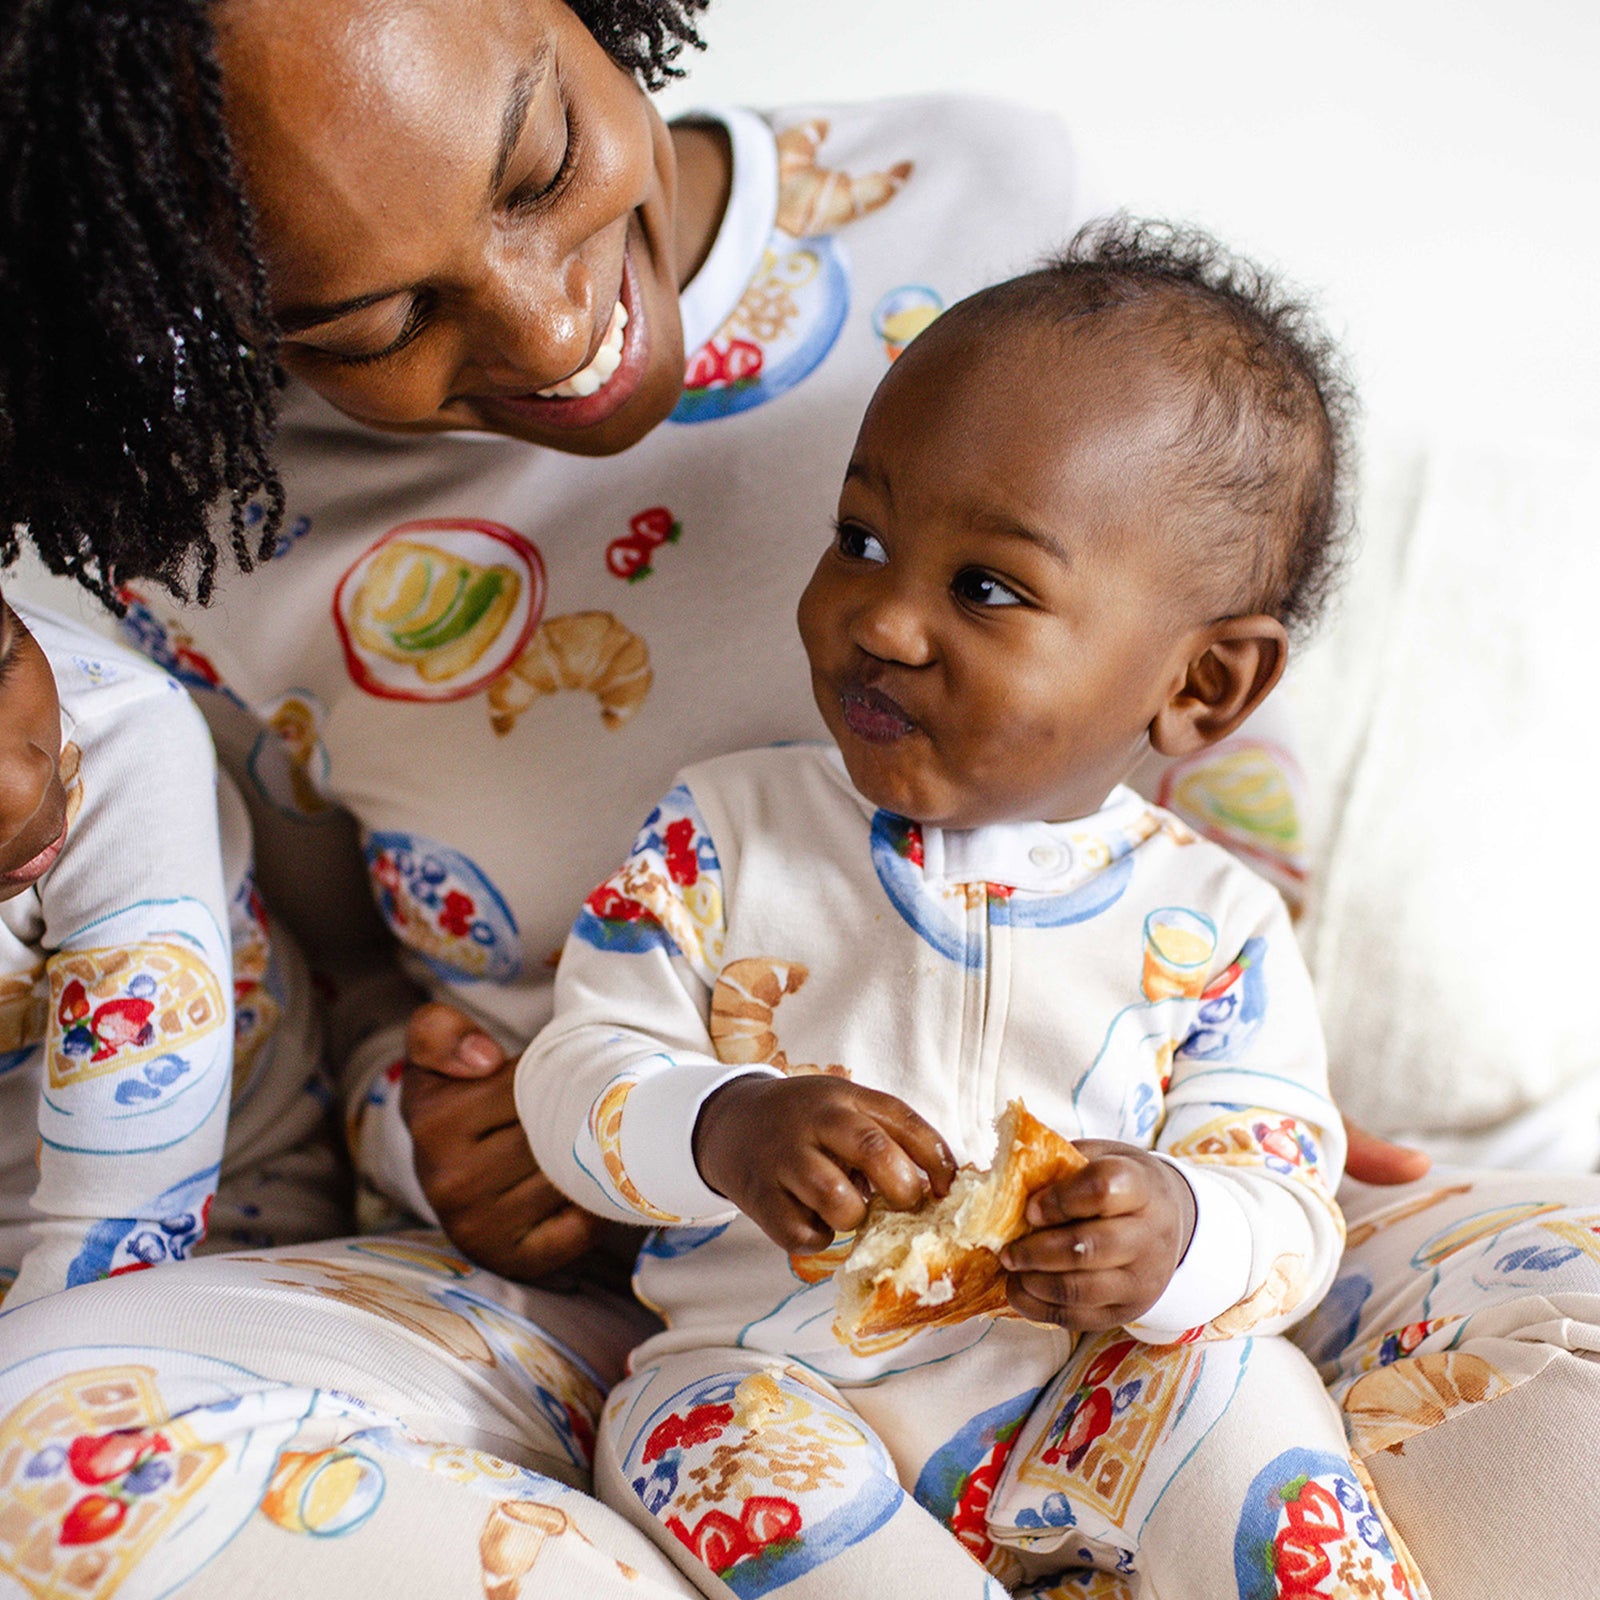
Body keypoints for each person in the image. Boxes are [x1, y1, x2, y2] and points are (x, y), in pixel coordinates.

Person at [0, 3, 1596, 1597]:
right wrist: (474, 1144)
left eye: (541, 162)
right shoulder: (232, 552)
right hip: (666, 1321)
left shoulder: (986, 198)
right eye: (370, 320)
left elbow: (1198, 728)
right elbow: (336, 998)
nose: (557, 333)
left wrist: (1228, 1193)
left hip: (1138, 1296)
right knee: (42, 1442)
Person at [515, 228, 1425, 1599]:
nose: (881, 620)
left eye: (986, 587)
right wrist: (721, 1121)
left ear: (1205, 687)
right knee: (680, 1440)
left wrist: (1181, 1233)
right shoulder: (725, 830)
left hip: (1096, 1392)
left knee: (1245, 1397)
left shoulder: (1216, 921)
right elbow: (574, 1076)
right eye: (863, 540)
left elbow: (1290, 1205)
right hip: (774, 1379)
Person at [0, 589, 345, 1310]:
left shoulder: (122, 743)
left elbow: (116, 1247)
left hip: (222, 1221)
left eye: (3, 657)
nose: (21, 784)